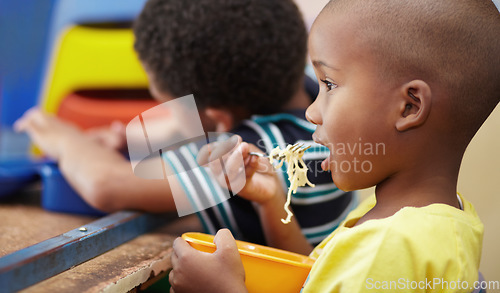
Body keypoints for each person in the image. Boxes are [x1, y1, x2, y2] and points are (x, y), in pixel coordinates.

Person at [168, 0, 500, 292]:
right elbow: (316, 279)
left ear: (409, 107)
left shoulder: (388, 246)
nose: (312, 112)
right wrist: (271, 202)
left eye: (329, 84)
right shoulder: (437, 220)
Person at [15, 0, 356, 253]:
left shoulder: (248, 159)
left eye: (170, 104)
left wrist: (65, 139)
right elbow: (177, 131)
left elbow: (108, 185)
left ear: (219, 118)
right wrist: (126, 138)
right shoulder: (311, 99)